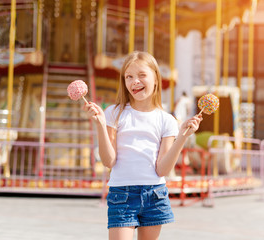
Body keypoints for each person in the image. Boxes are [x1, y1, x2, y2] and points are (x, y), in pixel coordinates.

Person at [83, 51, 202, 240]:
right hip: (122, 194)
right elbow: (109, 161)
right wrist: (99, 125)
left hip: (155, 194)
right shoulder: (113, 113)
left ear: (155, 78)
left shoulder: (167, 120)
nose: (134, 81)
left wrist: (182, 137)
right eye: (129, 77)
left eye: (141, 75)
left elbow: (162, 169)